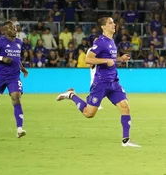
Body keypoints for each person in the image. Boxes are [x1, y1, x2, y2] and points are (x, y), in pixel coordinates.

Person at [55, 17, 140, 147]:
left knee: (125, 106)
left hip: (113, 81)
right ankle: (71, 95)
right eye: (110, 23)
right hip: (101, 83)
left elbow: (110, 59)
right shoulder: (101, 42)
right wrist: (106, 61)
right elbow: (88, 59)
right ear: (103, 27)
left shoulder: (111, 41)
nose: (114, 24)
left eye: (113, 22)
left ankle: (126, 140)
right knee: (89, 114)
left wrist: (119, 59)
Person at [0, 22, 29, 138]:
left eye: (15, 28)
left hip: (14, 77)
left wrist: (23, 68)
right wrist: (1, 58)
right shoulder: (0, 42)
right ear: (5, 31)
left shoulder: (19, 42)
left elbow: (16, 58)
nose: (15, 30)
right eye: (12, 28)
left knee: (16, 98)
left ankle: (19, 129)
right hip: (0, 76)